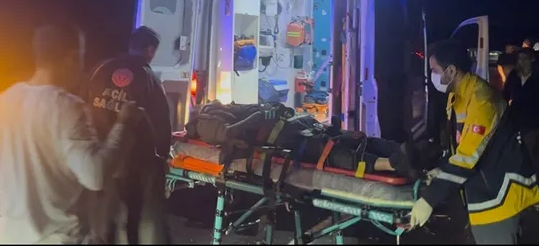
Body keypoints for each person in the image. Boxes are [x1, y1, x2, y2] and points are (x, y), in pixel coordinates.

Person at [0, 23, 135, 244]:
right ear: (72, 58)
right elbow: (95, 175)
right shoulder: (68, 108)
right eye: (81, 57)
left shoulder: (0, 104)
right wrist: (124, 125)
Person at [409, 40, 539, 244]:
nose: (432, 76)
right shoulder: (457, 97)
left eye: (434, 70)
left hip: (500, 194)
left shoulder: (482, 101)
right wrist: (442, 169)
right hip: (482, 188)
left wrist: (429, 199)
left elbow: (467, 158)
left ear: (451, 70)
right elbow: (460, 145)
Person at [183, 101, 438, 179]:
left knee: (346, 137)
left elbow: (247, 112)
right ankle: (393, 163)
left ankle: (408, 151)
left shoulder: (213, 110)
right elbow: (230, 132)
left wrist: (268, 108)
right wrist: (259, 116)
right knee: (331, 151)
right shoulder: (204, 124)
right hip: (282, 137)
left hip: (292, 126)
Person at [85, 26, 172, 244]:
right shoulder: (149, 78)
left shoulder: (100, 68)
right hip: (131, 162)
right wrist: (163, 156)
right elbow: (161, 123)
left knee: (101, 214)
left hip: (99, 154)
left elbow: (83, 104)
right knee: (132, 216)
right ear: (150, 50)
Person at [503, 49, 539, 188]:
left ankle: (530, 183)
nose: (521, 62)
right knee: (514, 149)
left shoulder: (538, 78)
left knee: (529, 150)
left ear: (532, 60)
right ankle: (515, 181)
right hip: (514, 117)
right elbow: (506, 94)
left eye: (525, 58)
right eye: (519, 59)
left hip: (531, 119)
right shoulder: (514, 75)